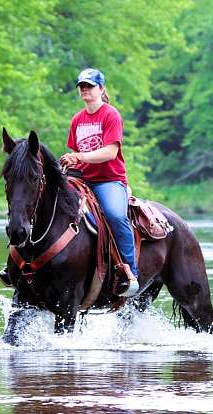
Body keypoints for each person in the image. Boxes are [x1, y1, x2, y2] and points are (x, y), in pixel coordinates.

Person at [60, 68, 138, 297]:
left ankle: (129, 273)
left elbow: (110, 152)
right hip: (81, 178)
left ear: (101, 89)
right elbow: (76, 151)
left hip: (108, 180)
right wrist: (68, 165)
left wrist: (80, 157)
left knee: (115, 214)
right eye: (82, 86)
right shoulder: (77, 120)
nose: (85, 90)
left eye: (90, 86)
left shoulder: (110, 114)